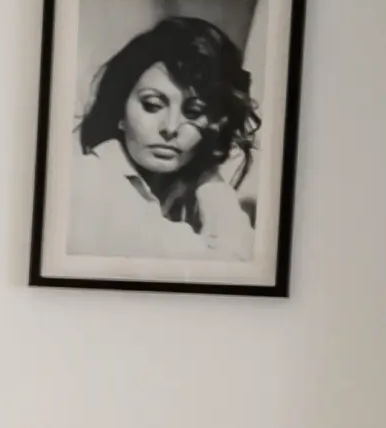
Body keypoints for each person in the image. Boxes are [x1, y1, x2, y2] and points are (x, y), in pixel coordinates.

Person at [65, 15, 261, 261]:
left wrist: (206, 178)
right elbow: (232, 262)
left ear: (212, 124)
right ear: (120, 111)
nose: (170, 127)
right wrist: (212, 184)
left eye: (194, 112)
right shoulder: (87, 182)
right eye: (152, 105)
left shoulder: (182, 194)